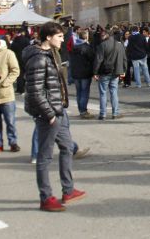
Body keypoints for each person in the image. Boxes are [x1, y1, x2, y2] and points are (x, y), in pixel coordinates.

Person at [25, 21, 85, 212]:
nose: (63, 39)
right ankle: (46, 197)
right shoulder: (38, 58)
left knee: (67, 148)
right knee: (44, 156)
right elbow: (34, 91)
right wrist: (49, 113)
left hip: (60, 110)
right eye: (59, 36)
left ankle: (68, 190)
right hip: (49, 114)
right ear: (48, 37)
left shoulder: (52, 54)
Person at [93, 27, 126, 120]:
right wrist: (123, 70)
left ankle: (103, 114)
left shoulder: (102, 45)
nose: (101, 36)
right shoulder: (119, 45)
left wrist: (95, 72)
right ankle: (115, 113)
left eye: (103, 34)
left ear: (108, 35)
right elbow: (124, 58)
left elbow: (98, 60)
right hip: (115, 72)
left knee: (103, 93)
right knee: (114, 92)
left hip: (104, 72)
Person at [70, 29, 95, 119]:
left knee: (79, 92)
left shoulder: (74, 47)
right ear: (86, 37)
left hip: (76, 73)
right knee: (84, 92)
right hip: (85, 73)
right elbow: (92, 59)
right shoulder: (87, 47)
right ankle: (83, 111)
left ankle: (81, 110)